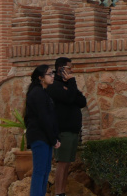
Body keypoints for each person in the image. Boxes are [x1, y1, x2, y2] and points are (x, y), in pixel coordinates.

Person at [47, 57, 86, 196]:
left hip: (72, 130)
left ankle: (62, 192)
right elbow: (69, 98)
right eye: (69, 68)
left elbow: (82, 101)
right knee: (62, 163)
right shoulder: (54, 85)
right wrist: (72, 83)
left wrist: (70, 87)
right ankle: (59, 193)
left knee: (67, 163)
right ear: (61, 69)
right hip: (63, 131)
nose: (71, 71)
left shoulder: (68, 84)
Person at [24, 64, 60, 196]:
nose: (52, 76)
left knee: (45, 170)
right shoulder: (37, 93)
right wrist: (53, 139)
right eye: (49, 74)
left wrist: (54, 137)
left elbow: (50, 118)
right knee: (40, 171)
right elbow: (43, 118)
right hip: (39, 137)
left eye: (52, 73)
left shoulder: (43, 92)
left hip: (45, 137)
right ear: (40, 78)